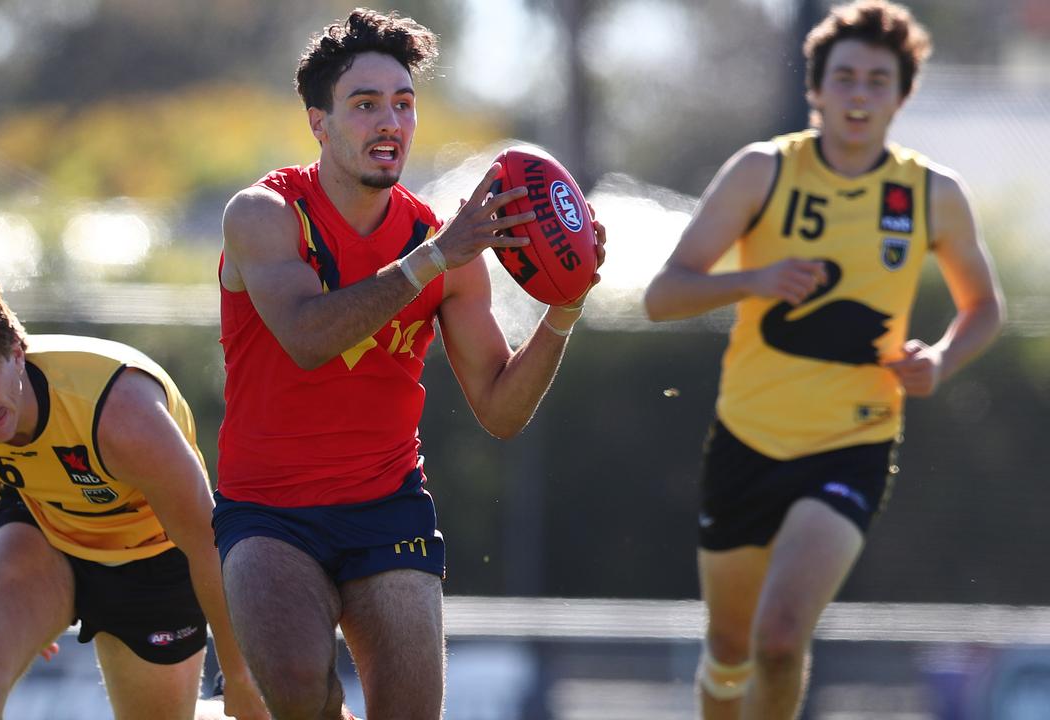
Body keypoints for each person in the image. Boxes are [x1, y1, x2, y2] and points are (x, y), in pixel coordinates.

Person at [215, 8, 606, 719]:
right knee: (302, 700)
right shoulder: (265, 215)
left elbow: (500, 409)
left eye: (402, 102)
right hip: (269, 514)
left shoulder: (442, 243)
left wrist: (564, 308)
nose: (388, 121)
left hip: (384, 507)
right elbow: (307, 337)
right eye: (364, 105)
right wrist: (432, 259)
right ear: (319, 122)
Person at [643, 1, 1003, 718]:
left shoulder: (932, 193)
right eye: (845, 78)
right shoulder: (762, 172)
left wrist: (940, 360)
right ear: (817, 89)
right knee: (730, 648)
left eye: (878, 80)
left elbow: (984, 309)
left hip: (853, 444)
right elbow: (663, 295)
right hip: (747, 439)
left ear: (902, 95)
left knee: (780, 639)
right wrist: (753, 279)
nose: (860, 95)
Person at [0, 249, 268, 720]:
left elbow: (207, 541)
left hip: (153, 559)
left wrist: (241, 678)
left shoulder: (121, 415)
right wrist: (9, 591)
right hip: (48, 536)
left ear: (17, 353)